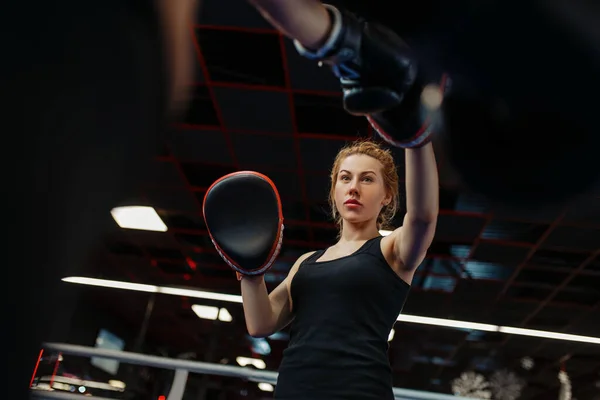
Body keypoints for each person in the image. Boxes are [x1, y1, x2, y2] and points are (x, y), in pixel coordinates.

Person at [239, 139, 439, 399]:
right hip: (294, 390)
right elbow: (260, 324)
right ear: (334, 189)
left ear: (387, 195)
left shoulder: (392, 250)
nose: (353, 188)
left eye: (367, 180)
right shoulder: (306, 261)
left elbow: (422, 217)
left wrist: (417, 140)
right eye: (345, 178)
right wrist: (249, 272)